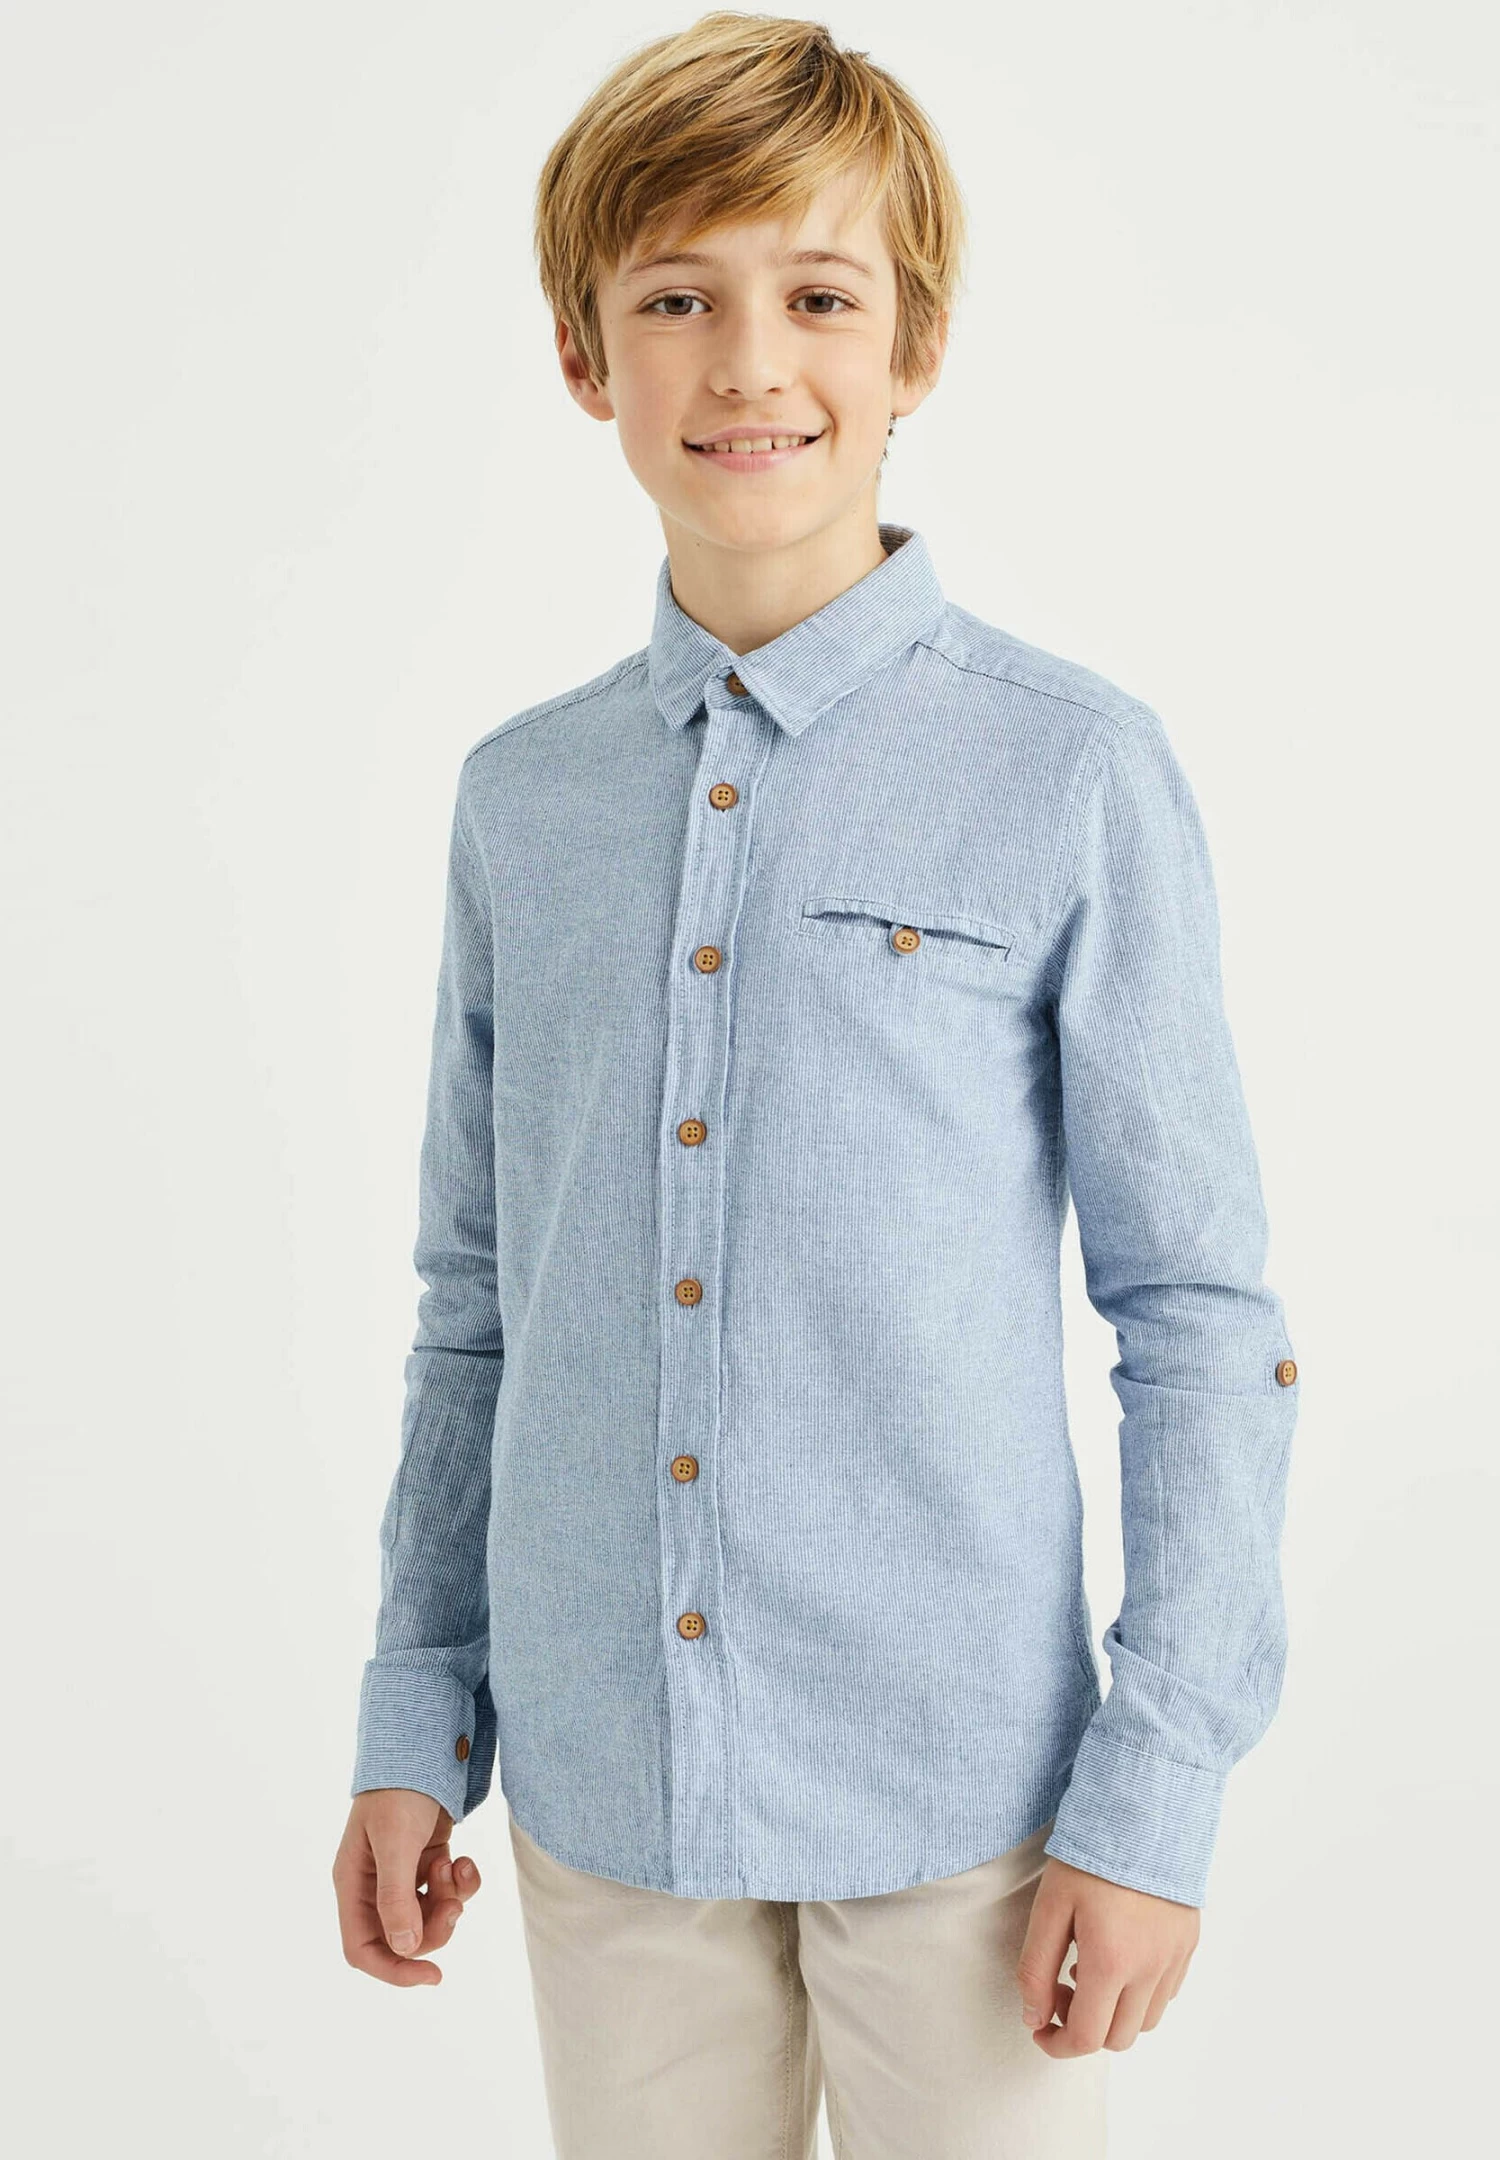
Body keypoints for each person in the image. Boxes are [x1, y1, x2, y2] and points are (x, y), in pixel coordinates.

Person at [331, 14, 1301, 2156]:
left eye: (820, 297)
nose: (750, 362)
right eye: (676, 299)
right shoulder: (524, 801)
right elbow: (477, 1302)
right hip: (606, 1795)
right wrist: (419, 1709)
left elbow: (1198, 1316)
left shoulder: (1070, 771)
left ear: (916, 346)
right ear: (584, 357)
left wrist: (1156, 1792)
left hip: (969, 1810)